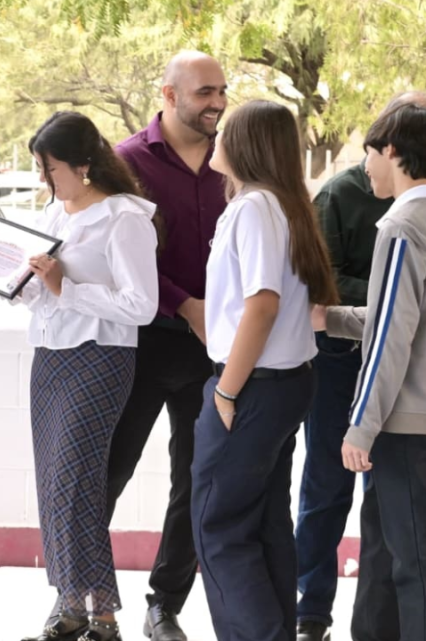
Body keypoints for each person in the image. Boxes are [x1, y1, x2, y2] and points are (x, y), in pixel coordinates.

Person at [0, 112, 158, 641]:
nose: (43, 181)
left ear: (84, 165)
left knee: (76, 482)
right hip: (51, 356)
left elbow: (141, 305)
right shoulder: (55, 214)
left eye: (50, 169)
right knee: (56, 483)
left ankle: (100, 612)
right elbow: (38, 294)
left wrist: (63, 289)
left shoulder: (124, 218)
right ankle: (77, 609)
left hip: (100, 358)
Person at [191, 100, 338, 641]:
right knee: (264, 521)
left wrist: (226, 392)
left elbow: (262, 305)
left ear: (247, 145)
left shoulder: (255, 208)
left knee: (218, 526)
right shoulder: (282, 205)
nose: (217, 135)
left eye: (226, 130)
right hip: (283, 384)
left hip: (252, 386)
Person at [293, 91, 426, 641]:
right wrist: (338, 319)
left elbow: (395, 337)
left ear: (391, 151)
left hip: (406, 427)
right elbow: (406, 316)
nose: (364, 166)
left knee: (412, 568)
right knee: (389, 559)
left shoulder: (402, 224)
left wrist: (361, 426)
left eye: (368, 153)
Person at [107, 50, 228, 641]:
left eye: (222, 91)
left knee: (197, 478)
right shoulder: (125, 162)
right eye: (205, 92)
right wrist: (185, 304)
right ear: (170, 94)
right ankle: (83, 599)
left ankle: (165, 606)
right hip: (142, 344)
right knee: (108, 471)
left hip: (216, 349)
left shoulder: (235, 161)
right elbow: (117, 259)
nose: (218, 103)